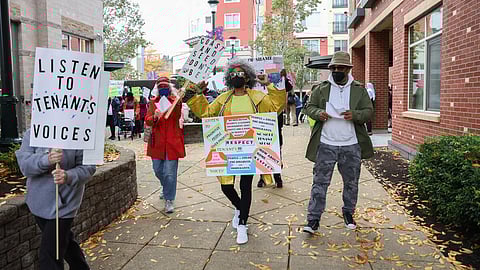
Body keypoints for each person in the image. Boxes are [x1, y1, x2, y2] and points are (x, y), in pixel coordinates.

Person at [184, 59, 286, 244]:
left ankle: (242, 223)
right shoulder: (223, 99)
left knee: (246, 187)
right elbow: (206, 113)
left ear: (247, 77)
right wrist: (195, 92)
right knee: (226, 187)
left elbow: (276, 106)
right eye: (233, 74)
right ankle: (239, 208)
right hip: (228, 151)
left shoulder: (258, 97)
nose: (236, 76)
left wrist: (269, 84)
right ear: (228, 78)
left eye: (240, 74)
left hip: (250, 152)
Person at [303, 51, 374, 234]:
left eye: (340, 68)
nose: (336, 71)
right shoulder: (321, 88)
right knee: (320, 182)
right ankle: (313, 219)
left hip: (351, 145)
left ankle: (348, 213)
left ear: (348, 69)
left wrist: (355, 115)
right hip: (326, 144)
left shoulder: (359, 89)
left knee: (351, 183)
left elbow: (369, 111)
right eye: (333, 68)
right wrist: (318, 113)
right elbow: (309, 107)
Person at [16, 131, 96, 270]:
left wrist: (68, 176)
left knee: (50, 255)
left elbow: (89, 168)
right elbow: (24, 166)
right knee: (65, 242)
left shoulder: (80, 134)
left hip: (65, 205)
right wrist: (46, 160)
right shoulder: (33, 133)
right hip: (38, 202)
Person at [145, 77, 185, 214]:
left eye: (165, 86)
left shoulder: (175, 102)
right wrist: (155, 116)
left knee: (169, 173)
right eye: (160, 86)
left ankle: (169, 199)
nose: (163, 88)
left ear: (169, 88)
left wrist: (178, 100)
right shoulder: (152, 103)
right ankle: (166, 187)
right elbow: (148, 121)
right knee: (158, 170)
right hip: (157, 143)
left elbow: (177, 114)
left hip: (172, 142)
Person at [257, 110, 284, 188]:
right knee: (269, 155)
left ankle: (266, 178)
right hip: (271, 135)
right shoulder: (277, 107)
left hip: (266, 134)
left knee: (264, 155)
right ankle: (276, 179)